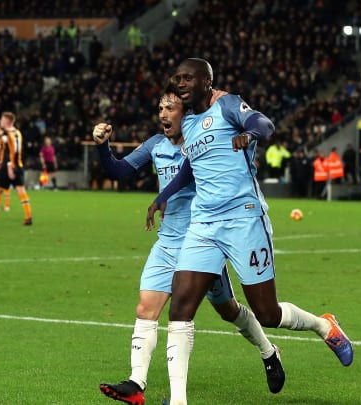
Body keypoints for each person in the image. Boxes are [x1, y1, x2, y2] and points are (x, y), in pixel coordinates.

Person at [147, 58, 353, 405]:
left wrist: (249, 133)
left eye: (188, 78)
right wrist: (162, 197)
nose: (181, 83)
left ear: (206, 81)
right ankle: (178, 400)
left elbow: (264, 123)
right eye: (177, 78)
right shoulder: (190, 123)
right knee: (180, 307)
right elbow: (189, 169)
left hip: (243, 219)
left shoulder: (227, 104)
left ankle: (323, 325)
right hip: (204, 224)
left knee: (267, 314)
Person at [94, 84, 285, 405]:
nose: (163, 115)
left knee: (230, 311)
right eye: (160, 109)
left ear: (186, 112)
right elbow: (120, 170)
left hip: (204, 241)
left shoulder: (204, 143)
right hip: (168, 243)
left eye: (170, 108)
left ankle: (268, 350)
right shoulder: (155, 145)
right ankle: (137, 382)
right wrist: (103, 146)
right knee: (146, 308)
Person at [0, 112, 33, 226]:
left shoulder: (6, 135)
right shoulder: (18, 132)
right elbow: (16, 150)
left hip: (9, 166)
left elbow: (10, 151)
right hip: (18, 165)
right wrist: (1, 161)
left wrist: (9, 166)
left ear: (8, 121)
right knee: (21, 191)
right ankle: (28, 217)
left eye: (2, 120)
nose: (1, 121)